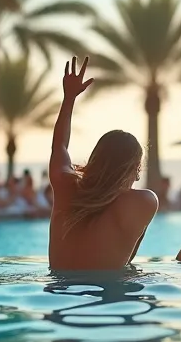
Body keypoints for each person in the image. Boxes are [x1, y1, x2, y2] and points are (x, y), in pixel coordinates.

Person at [48, 57, 158, 270]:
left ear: (95, 160)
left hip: (58, 293)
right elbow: (128, 259)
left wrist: (69, 98)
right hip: (108, 295)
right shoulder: (143, 201)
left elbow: (59, 147)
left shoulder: (65, 187)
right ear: (136, 170)